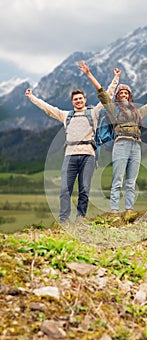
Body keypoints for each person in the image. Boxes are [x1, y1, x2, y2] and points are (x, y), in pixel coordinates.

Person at [25, 68, 121, 225]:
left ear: (85, 99)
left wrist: (116, 78)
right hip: (70, 155)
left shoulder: (94, 113)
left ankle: (80, 219)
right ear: (72, 102)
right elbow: (47, 108)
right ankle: (64, 220)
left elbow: (107, 95)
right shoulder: (65, 116)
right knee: (65, 190)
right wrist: (31, 97)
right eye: (75, 99)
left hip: (88, 155)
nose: (78, 101)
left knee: (84, 189)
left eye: (80, 98)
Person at [78, 60, 147, 217]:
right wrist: (89, 74)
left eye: (126, 93)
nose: (124, 95)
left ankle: (129, 210)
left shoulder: (137, 112)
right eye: (121, 93)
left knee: (131, 181)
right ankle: (114, 211)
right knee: (118, 178)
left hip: (136, 145)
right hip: (121, 143)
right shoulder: (113, 110)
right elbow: (103, 94)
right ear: (118, 96)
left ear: (130, 96)